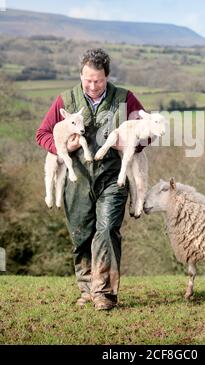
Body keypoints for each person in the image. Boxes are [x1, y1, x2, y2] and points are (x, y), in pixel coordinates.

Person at [36, 48, 146, 310]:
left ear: (107, 76)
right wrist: (64, 147)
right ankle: (86, 288)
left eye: (98, 80)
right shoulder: (66, 100)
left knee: (107, 230)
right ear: (81, 75)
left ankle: (104, 293)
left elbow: (147, 131)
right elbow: (42, 134)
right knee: (81, 235)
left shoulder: (125, 99)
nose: (93, 86)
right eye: (87, 79)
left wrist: (132, 144)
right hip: (77, 180)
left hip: (112, 177)